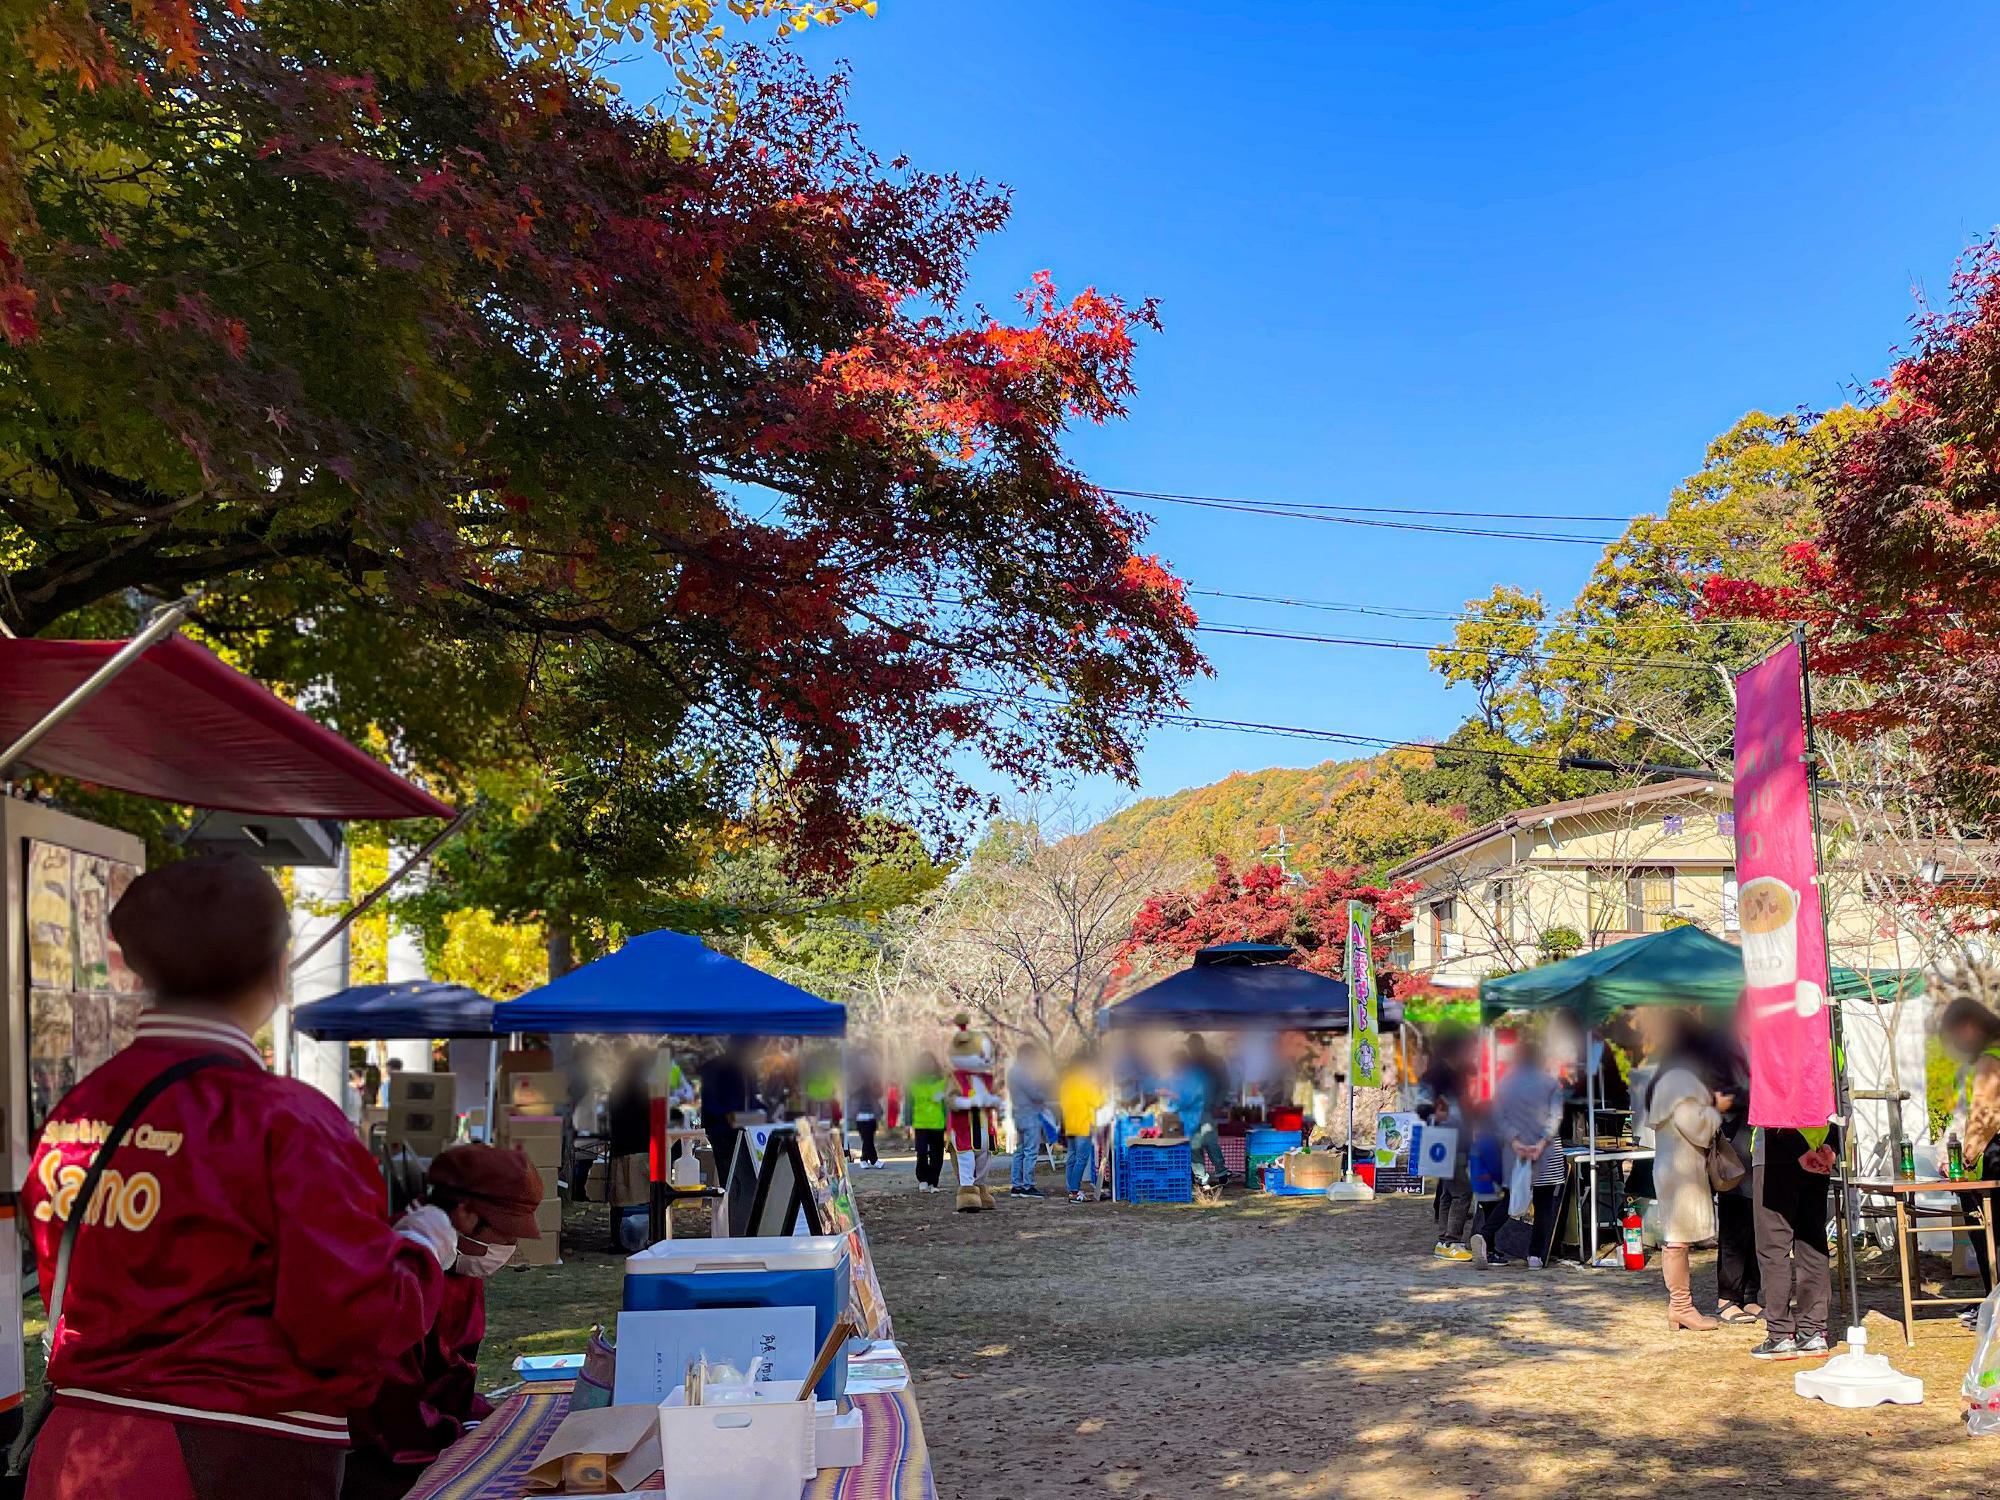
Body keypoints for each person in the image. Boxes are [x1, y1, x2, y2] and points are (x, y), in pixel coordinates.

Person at [22, 855, 454, 1500]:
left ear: (138, 970)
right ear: (279, 971)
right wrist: (424, 1248)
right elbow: (347, 1323)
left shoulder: (75, 1111)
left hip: (73, 1449)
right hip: (225, 1453)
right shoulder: (284, 1119)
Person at [343, 1145, 544, 1499]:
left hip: (422, 1438)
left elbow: (453, 1375)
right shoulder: (403, 1271)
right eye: (505, 1231)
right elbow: (390, 1401)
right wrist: (452, 1434)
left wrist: (476, 1419)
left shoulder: (461, 1269)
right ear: (465, 1212)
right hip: (378, 1455)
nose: (510, 1245)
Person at [1646, 1014, 1725, 1332]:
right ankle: (1681, 1306)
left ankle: (1681, 1306)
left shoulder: (1667, 1078)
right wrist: (1716, 1110)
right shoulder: (1681, 1080)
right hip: (1681, 1170)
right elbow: (1696, 1126)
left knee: (1676, 1238)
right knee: (1677, 1240)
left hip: (1673, 1166)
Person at [1470, 1037, 1565, 1270]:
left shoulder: (1505, 1084)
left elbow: (1499, 1117)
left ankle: (1485, 1233)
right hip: (1547, 1153)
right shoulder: (1551, 1083)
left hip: (1515, 1152)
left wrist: (1515, 1142)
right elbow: (1556, 1117)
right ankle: (1536, 1256)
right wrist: (1541, 1143)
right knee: (1544, 1204)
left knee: (1512, 1198)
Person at [1939, 962, 2000, 1311]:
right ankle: (1990, 1299)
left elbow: (1984, 1117)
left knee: (1989, 1231)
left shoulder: (1990, 1058)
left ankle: (1993, 1301)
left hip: (1992, 1156)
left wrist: (1966, 1156)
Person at [1750, 1121, 1838, 1359]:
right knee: (1812, 1242)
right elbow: (1842, 1105)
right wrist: (1831, 1147)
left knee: (1774, 1247)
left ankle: (1780, 1335)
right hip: (1818, 1150)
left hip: (1776, 1155)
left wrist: (1799, 1149)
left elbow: (1770, 1107)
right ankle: (1813, 1331)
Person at [1696, 1030, 1760, 1325]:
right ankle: (1727, 1297)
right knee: (1736, 1225)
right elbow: (1716, 1099)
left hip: (1758, 1143)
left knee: (1758, 1222)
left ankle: (1750, 1294)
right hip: (1734, 1148)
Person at [1416, 1029, 1478, 1262]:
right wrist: (1436, 1112)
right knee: (1462, 1191)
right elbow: (1422, 1107)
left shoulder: (1459, 1074)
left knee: (1448, 1191)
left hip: (1459, 1139)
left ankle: (1444, 1239)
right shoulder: (1435, 1075)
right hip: (1444, 1139)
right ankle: (1450, 1240)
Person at [947, 1018, 1003, 1212]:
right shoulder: (955, 1078)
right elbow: (950, 1100)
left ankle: (980, 1189)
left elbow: (993, 1097)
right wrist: (966, 1103)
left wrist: (996, 1103)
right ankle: (967, 1192)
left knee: (984, 1157)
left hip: (984, 1124)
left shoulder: (986, 1079)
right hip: (964, 1125)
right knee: (966, 1157)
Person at [697, 1037, 759, 1188]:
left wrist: (765, 1113)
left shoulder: (747, 1069)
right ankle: (731, 1205)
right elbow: (711, 1103)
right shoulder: (713, 1068)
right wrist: (727, 1115)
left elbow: (752, 1099)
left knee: (747, 1178)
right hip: (723, 1132)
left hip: (746, 1132)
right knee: (730, 1179)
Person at [1172, 1036, 1230, 1189]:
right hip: (1192, 1113)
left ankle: (1220, 1172)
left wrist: (1217, 1103)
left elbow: (1224, 1084)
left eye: (1192, 1046)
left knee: (1209, 1142)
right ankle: (1202, 1176)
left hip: (1205, 1109)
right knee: (1196, 1144)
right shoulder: (1189, 1065)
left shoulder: (1213, 1062)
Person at [1058, 1051, 1105, 1202]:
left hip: (1070, 1125)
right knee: (1081, 1159)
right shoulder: (1086, 1082)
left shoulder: (1066, 1082)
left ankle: (1071, 1188)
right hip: (1083, 1125)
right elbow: (1098, 1101)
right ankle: (1074, 1192)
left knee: (1071, 1158)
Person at [1007, 1040, 1051, 1198]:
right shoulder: (1023, 1072)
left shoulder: (1012, 1071)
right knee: (1030, 1151)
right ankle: (1028, 1186)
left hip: (1018, 1114)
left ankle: (1016, 1185)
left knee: (1019, 1151)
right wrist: (1046, 1097)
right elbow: (1034, 1094)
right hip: (1030, 1115)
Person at [907, 1054, 950, 1193]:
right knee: (922, 1152)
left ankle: (933, 1181)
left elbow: (947, 1104)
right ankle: (923, 1179)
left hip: (938, 1123)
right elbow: (908, 1104)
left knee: (937, 1154)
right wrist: (907, 1122)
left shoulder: (942, 1082)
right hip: (920, 1123)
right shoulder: (913, 1082)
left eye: (930, 1062)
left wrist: (949, 1123)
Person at [851, 1054, 884, 1170]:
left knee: (869, 1138)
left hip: (872, 1113)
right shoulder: (854, 1077)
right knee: (867, 1138)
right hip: (860, 1115)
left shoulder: (874, 1078)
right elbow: (851, 1092)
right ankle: (874, 1160)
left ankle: (864, 1159)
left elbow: (879, 1093)